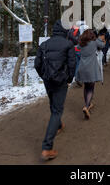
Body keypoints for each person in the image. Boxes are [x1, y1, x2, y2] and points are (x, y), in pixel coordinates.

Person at [34, 20, 76, 161]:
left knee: (53, 105)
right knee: (57, 110)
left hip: (48, 81)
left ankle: (58, 125)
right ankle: (47, 148)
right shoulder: (68, 44)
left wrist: (44, 76)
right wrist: (69, 79)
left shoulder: (44, 45)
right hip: (61, 81)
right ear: (65, 31)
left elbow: (37, 64)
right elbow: (72, 64)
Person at [75, 29, 105, 119]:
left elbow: (76, 47)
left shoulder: (81, 44)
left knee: (86, 87)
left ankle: (87, 104)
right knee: (91, 88)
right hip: (91, 69)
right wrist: (101, 39)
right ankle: (87, 106)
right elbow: (102, 45)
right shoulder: (94, 42)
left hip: (82, 68)